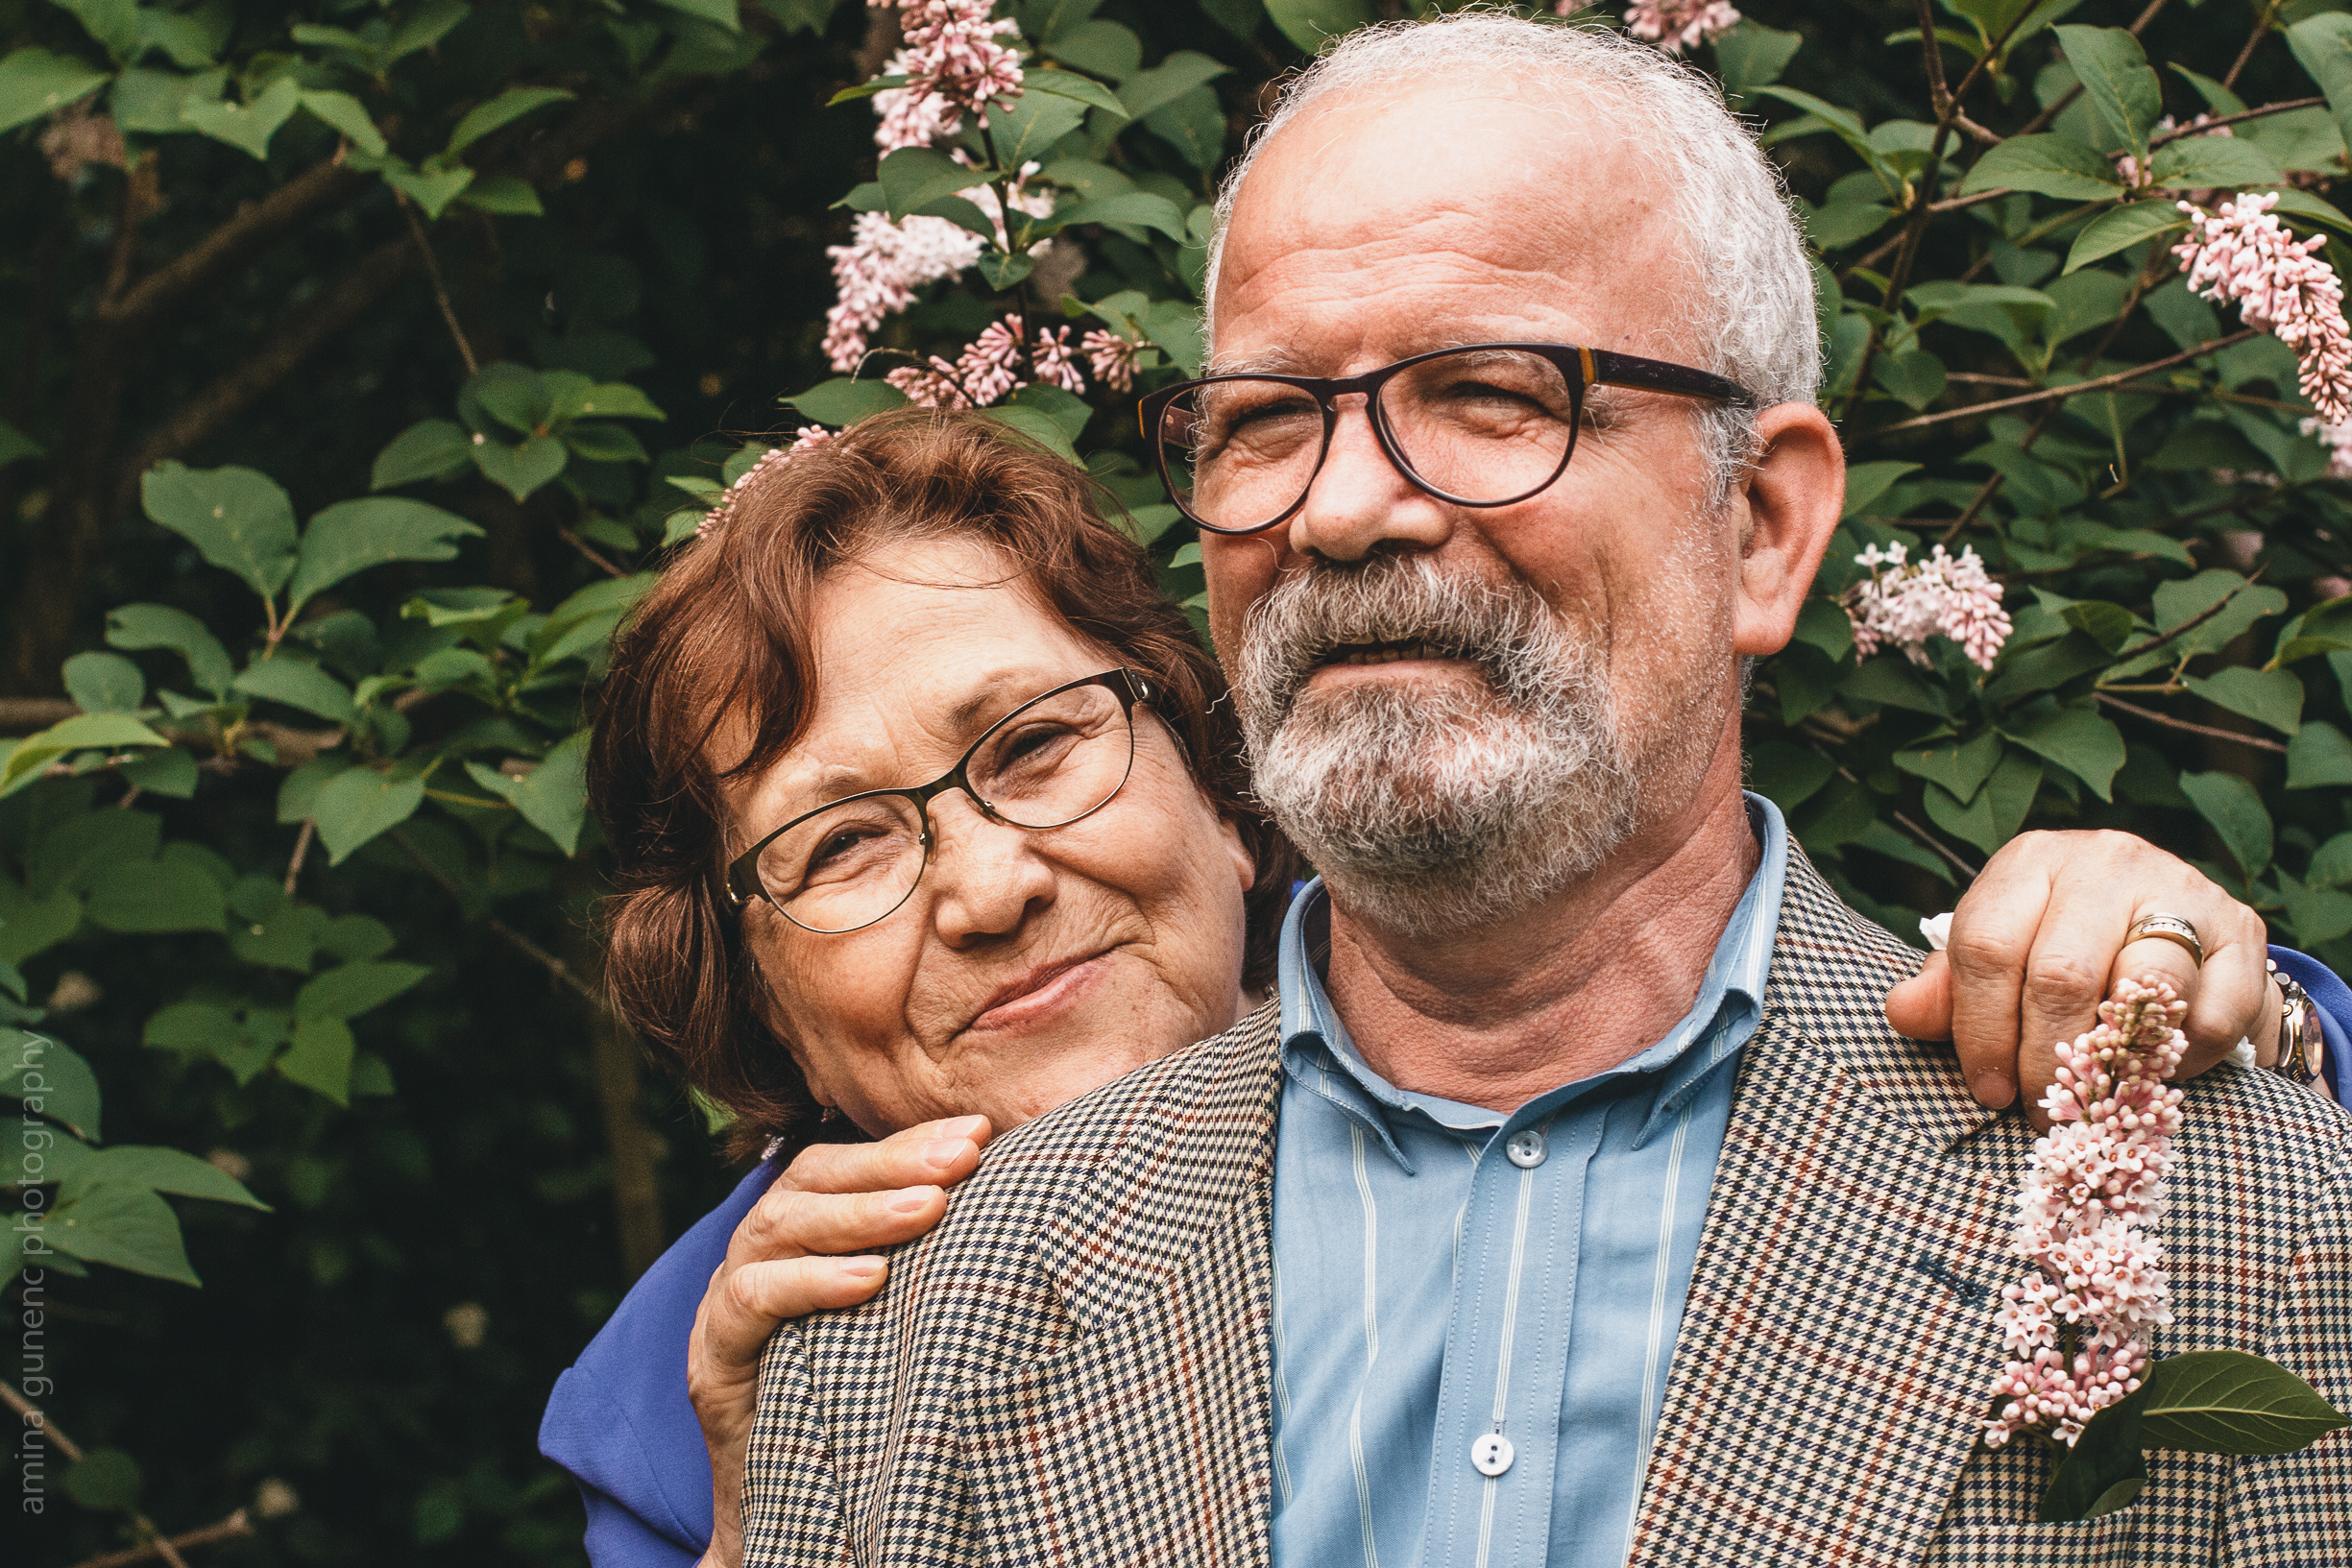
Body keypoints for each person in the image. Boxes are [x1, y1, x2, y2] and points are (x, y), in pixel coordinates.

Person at [727, 16, 2352, 1568]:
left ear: (1763, 528)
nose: (1346, 508)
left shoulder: (2247, 1213)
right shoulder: (901, 1340)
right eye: (1268, 421)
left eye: (1492, 393)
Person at [545, 406, 2344, 1566]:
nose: (992, 884)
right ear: (743, 989)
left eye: (1033, 747)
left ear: (1223, 773)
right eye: (840, 843)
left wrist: (2225, 1003)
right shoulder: (745, 1373)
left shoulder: (1794, 1075)